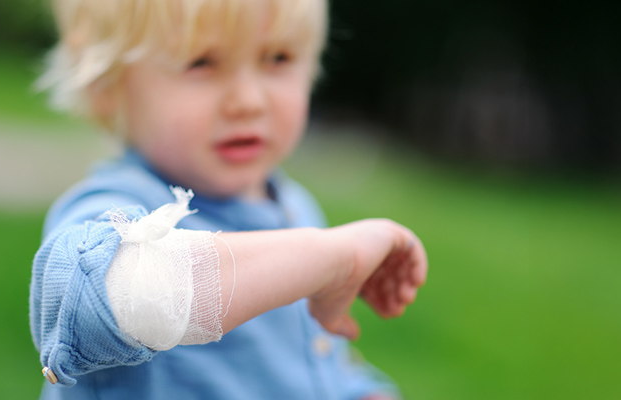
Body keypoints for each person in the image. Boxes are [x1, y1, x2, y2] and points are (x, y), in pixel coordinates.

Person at [30, 0, 428, 398]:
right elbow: (91, 303)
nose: (248, 101)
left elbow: (306, 358)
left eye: (278, 57)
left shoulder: (293, 205)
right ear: (106, 85)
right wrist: (333, 257)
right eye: (201, 62)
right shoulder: (121, 206)